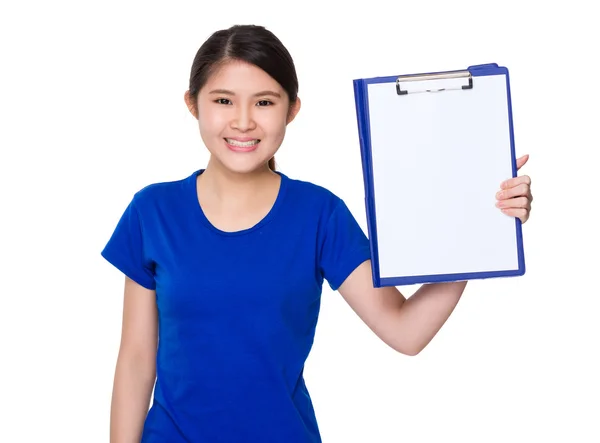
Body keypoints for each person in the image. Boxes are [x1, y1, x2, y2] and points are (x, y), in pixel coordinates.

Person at [101, 24, 533, 443]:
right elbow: (137, 359)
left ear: (292, 110)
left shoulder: (318, 214)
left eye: (265, 103)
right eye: (224, 100)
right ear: (193, 104)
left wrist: (478, 225)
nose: (244, 121)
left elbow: (405, 331)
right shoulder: (153, 211)